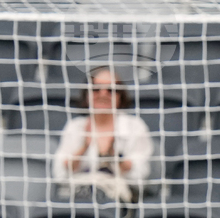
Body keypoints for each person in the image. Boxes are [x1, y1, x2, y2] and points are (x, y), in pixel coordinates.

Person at [52, 67, 153, 202]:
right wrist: (83, 147)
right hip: (79, 199)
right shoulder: (75, 127)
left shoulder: (135, 126)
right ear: (87, 95)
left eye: (111, 90)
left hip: (120, 200)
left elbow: (141, 174)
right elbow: (59, 173)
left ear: (120, 96)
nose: (103, 94)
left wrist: (114, 158)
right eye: (96, 89)